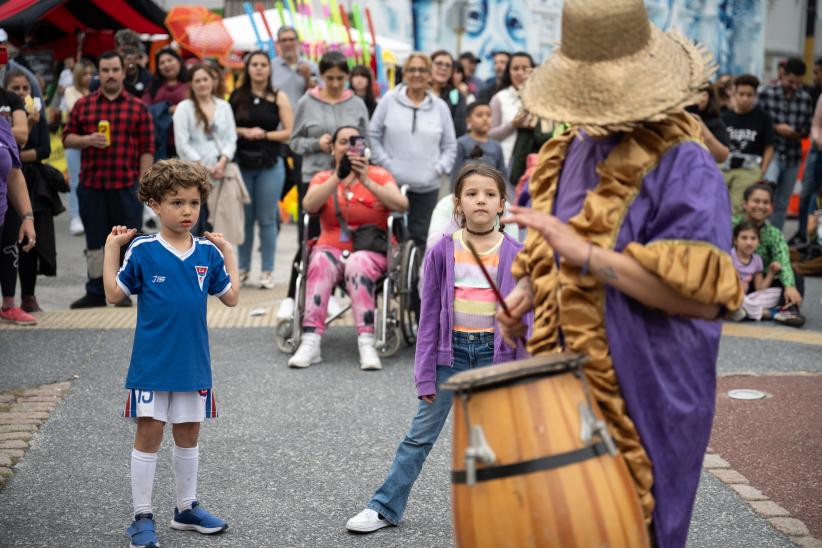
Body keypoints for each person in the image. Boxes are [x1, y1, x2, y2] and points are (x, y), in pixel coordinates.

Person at [494, 1, 745, 545]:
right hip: (561, 394)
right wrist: (525, 297)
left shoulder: (686, 162)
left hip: (649, 394)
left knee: (633, 530)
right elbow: (551, 263)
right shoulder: (566, 151)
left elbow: (706, 300)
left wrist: (584, 254)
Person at [346, 163, 530, 533]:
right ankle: (383, 507)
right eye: (472, 193)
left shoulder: (517, 252)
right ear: (457, 203)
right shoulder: (442, 251)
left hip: (498, 356)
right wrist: (424, 374)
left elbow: (527, 321)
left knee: (501, 440)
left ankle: (509, 514)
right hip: (452, 355)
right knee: (418, 436)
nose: (481, 200)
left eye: (490, 194)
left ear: (502, 204)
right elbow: (429, 315)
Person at [103, 159, 238, 548]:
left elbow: (231, 298)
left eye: (193, 203)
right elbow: (114, 295)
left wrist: (228, 251)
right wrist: (113, 247)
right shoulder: (144, 250)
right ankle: (141, 516)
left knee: (189, 435)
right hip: (152, 365)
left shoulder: (207, 254)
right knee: (149, 434)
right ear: (154, 205)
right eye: (177, 202)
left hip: (194, 364)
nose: (186, 211)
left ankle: (185, 508)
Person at [287, 126, 407, 370]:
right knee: (319, 260)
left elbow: (401, 205)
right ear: (332, 148)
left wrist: (366, 180)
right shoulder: (323, 177)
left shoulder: (379, 175)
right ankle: (311, 340)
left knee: (357, 262)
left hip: (371, 250)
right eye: (343, 142)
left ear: (364, 147)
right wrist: (338, 178)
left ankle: (366, 341)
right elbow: (309, 206)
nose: (349, 147)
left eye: (355, 142)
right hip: (330, 246)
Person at [280, 51, 369, 320]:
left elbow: (367, 141)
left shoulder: (356, 103)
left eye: (340, 78)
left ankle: (328, 294)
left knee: (339, 238)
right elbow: (294, 141)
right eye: (329, 78)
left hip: (350, 178)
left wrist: (354, 153)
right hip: (316, 176)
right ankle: (293, 296)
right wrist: (316, 144)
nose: (334, 83)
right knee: (310, 238)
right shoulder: (308, 101)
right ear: (320, 76)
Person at [63, 50, 154, 309]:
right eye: (105, 70)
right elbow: (67, 137)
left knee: (127, 241)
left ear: (123, 72)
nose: (111, 75)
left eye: (115, 70)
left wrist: (143, 185)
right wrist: (87, 140)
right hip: (91, 186)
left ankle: (122, 290)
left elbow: (147, 148)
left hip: (126, 187)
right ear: (98, 74)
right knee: (94, 241)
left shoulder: (137, 107)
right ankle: (94, 290)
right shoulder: (84, 105)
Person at [369, 52, 457, 246]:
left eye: (422, 70)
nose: (417, 74)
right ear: (405, 73)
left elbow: (450, 146)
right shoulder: (389, 101)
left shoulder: (440, 107)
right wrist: (386, 165)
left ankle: (416, 276)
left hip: (427, 186)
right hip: (391, 185)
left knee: (421, 239)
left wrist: (437, 169)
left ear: (430, 74)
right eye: (412, 69)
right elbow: (373, 136)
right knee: (389, 235)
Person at [230, 51, 293, 289]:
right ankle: (243, 268)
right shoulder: (237, 96)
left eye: (263, 65)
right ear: (248, 69)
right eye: (254, 65)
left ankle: (267, 271)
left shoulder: (279, 97)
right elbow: (226, 127)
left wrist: (264, 134)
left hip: (270, 163)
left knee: (267, 219)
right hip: (242, 164)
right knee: (244, 219)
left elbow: (289, 131)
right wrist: (243, 132)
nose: (258, 69)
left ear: (269, 68)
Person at [0, 69, 57, 324]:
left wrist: (27, 216)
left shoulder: (3, 123)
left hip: (6, 209)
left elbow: (14, 172)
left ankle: (11, 304)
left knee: (11, 250)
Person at [173, 64, 237, 236]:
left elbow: (232, 138)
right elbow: (182, 143)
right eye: (197, 80)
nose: (202, 84)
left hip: (220, 173)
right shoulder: (184, 108)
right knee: (194, 223)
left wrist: (222, 161)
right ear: (191, 84)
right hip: (192, 175)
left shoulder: (224, 106)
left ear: (213, 82)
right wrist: (202, 166)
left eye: (205, 79)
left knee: (219, 224)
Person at [733, 183, 805, 327]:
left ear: (771, 208)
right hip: (732, 281)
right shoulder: (732, 224)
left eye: (765, 202)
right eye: (756, 201)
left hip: (760, 286)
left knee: (795, 274)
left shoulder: (774, 233)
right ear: (745, 204)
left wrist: (789, 286)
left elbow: (783, 259)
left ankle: (788, 310)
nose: (760, 206)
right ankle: (767, 312)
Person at [758, 57, 813, 230]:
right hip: (772, 152)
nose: (794, 86)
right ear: (783, 74)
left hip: (793, 156)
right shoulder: (767, 93)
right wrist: (776, 128)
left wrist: (795, 133)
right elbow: (759, 123)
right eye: (790, 81)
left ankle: (775, 240)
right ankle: (755, 235)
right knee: (765, 195)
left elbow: (807, 129)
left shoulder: (805, 99)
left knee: (782, 204)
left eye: (798, 83)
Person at [721, 74, 774, 214]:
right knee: (717, 202)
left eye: (749, 95)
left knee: (738, 208)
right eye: (741, 94)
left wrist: (762, 170)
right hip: (724, 166)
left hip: (749, 168)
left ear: (755, 96)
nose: (745, 98)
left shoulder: (763, 118)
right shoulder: (724, 117)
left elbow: (769, 146)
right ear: (734, 94)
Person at [62, 59, 95, 236]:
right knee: (75, 180)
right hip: (75, 140)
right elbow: (75, 109)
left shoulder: (95, 90)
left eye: (91, 73)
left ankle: (87, 213)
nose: (89, 77)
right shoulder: (70, 91)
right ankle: (75, 216)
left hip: (92, 142)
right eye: (85, 73)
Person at [488, 52, 536, 168]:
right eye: (515, 68)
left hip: (536, 163)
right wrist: (513, 124)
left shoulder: (541, 98)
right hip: (506, 163)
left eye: (525, 69)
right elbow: (489, 135)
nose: (520, 73)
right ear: (508, 72)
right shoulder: (499, 98)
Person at [729, 221, 782, 321]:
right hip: (731, 295)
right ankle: (769, 314)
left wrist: (771, 273)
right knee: (733, 296)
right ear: (735, 240)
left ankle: (742, 311)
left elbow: (759, 288)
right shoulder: (729, 256)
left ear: (758, 242)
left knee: (777, 293)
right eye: (744, 238)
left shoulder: (757, 260)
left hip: (747, 298)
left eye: (753, 238)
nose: (749, 242)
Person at [143, 47, 189, 159]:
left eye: (170, 60)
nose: (166, 65)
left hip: (187, 141)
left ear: (179, 61)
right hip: (160, 142)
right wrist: (164, 110)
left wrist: (181, 109)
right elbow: (143, 108)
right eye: (162, 63)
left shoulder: (190, 84)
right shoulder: (153, 87)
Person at [451, 101, 507, 188]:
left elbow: (502, 174)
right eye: (479, 115)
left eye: (488, 115)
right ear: (468, 119)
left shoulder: (496, 146)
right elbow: (455, 173)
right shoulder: (461, 143)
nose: (485, 119)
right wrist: (454, 194)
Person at [687, 84, 730, 163]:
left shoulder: (715, 122)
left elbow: (722, 156)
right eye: (694, 93)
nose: (700, 98)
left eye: (704, 94)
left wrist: (700, 125)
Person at [430, 50, 467, 137]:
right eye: (439, 63)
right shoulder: (419, 91)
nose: (443, 68)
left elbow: (459, 129)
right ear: (429, 66)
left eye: (448, 65)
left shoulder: (456, 95)